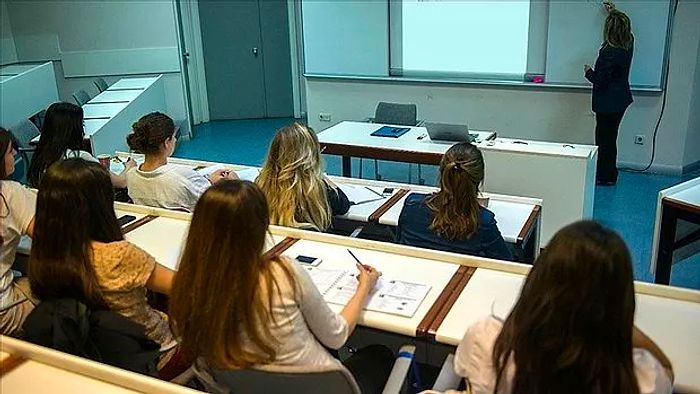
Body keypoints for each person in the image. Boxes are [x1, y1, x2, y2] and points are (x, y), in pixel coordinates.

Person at [170, 180, 394, 394]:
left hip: (245, 387)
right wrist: (364, 286)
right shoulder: (281, 273)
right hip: (316, 388)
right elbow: (337, 335)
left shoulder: (188, 285)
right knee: (380, 354)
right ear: (260, 226)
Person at [452, 221, 673, 394]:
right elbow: (668, 372)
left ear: (539, 278)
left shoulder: (489, 342)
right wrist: (616, 323)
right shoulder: (639, 379)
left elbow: (467, 377)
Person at [28, 158, 180, 371]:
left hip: (97, 354)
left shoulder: (45, 253)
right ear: (100, 202)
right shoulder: (119, 256)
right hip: (152, 352)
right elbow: (184, 286)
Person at [396, 142, 511, 260]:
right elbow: (506, 264)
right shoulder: (484, 221)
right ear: (479, 178)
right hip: (460, 277)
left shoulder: (412, 204)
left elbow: (399, 242)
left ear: (442, 171)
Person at [125, 112, 236, 212]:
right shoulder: (181, 176)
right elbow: (218, 203)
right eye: (173, 137)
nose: (175, 140)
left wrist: (208, 180)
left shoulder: (131, 176)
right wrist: (234, 183)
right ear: (167, 142)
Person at [256, 122, 349, 231]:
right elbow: (343, 206)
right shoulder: (317, 188)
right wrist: (321, 176)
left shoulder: (261, 183)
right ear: (311, 156)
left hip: (274, 242)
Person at [27, 102, 134, 188]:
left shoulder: (39, 157)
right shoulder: (80, 158)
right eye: (81, 124)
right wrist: (129, 167)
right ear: (74, 129)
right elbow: (121, 182)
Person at [584, 2, 634, 186]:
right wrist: (613, 12)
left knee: (604, 141)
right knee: (610, 139)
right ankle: (609, 173)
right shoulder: (628, 43)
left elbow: (601, 80)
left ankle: (605, 177)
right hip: (619, 100)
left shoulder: (610, 53)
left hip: (608, 103)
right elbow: (624, 29)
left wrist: (589, 72)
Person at [0, 127, 36, 336]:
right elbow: (53, 240)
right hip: (5, 314)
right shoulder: (9, 193)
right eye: (10, 150)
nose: (15, 154)